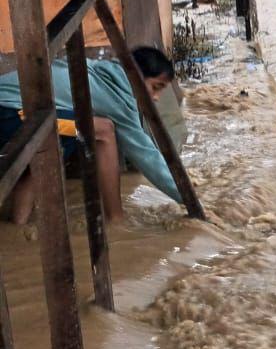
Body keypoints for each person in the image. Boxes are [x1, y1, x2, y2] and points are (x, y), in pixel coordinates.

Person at [0, 46, 182, 224]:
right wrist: (187, 197)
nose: (157, 97)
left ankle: (18, 224)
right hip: (9, 114)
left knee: (49, 151)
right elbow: (146, 155)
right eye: (156, 87)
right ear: (134, 75)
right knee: (104, 131)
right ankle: (115, 218)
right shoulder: (119, 97)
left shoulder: (101, 71)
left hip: (22, 112)